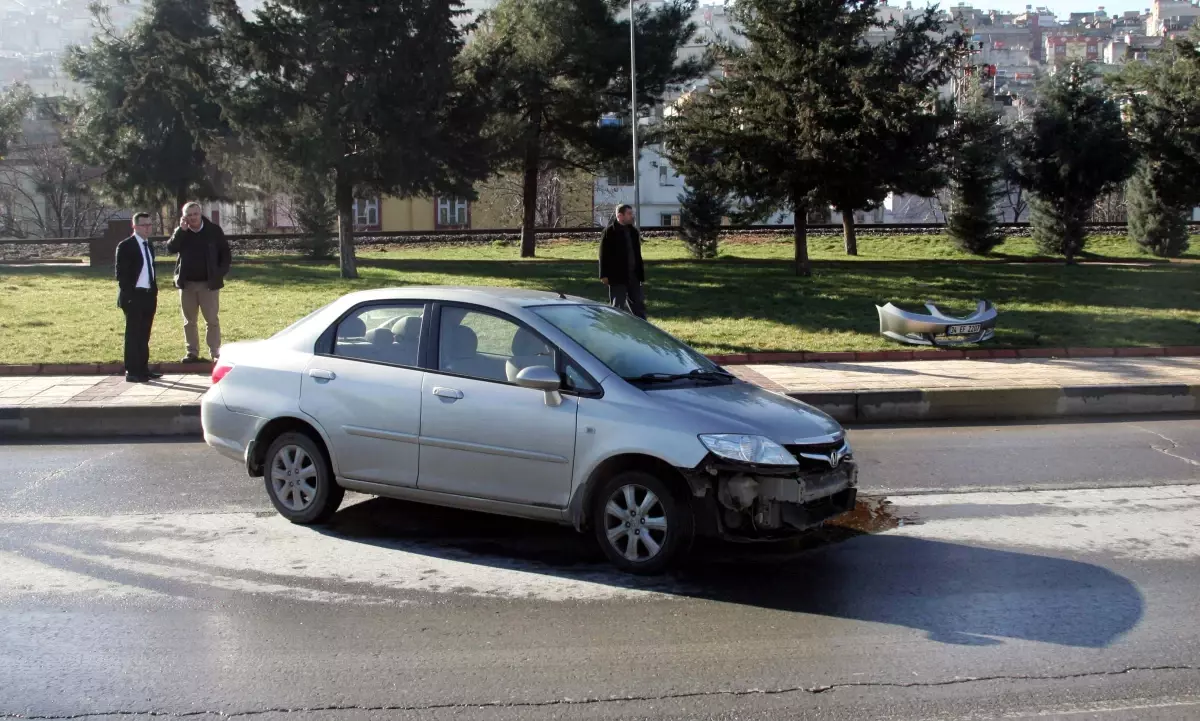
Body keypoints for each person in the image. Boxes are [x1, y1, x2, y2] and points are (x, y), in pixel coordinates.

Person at [166, 201, 231, 363]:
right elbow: (171, 249)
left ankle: (215, 352)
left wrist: (218, 273)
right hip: (187, 284)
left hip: (208, 284)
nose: (193, 217)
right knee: (189, 321)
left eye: (195, 214)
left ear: (200, 214)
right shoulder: (182, 232)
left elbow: (226, 254)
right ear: (184, 217)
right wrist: (181, 231)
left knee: (212, 320)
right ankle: (192, 352)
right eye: (189, 215)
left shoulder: (213, 231)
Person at [114, 213, 161, 383]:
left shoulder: (149, 245)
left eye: (149, 224)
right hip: (133, 296)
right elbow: (121, 275)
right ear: (134, 227)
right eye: (143, 225)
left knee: (144, 334)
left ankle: (143, 368)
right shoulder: (126, 246)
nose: (147, 228)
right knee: (133, 334)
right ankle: (132, 371)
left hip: (148, 295)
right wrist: (130, 295)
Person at [598, 204, 647, 319]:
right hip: (617, 276)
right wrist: (603, 275)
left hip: (634, 275)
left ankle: (643, 329)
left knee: (638, 305)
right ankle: (615, 329)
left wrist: (640, 274)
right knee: (618, 306)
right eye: (629, 214)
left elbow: (637, 255)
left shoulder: (634, 232)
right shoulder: (609, 232)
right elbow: (603, 255)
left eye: (632, 213)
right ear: (620, 216)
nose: (632, 216)